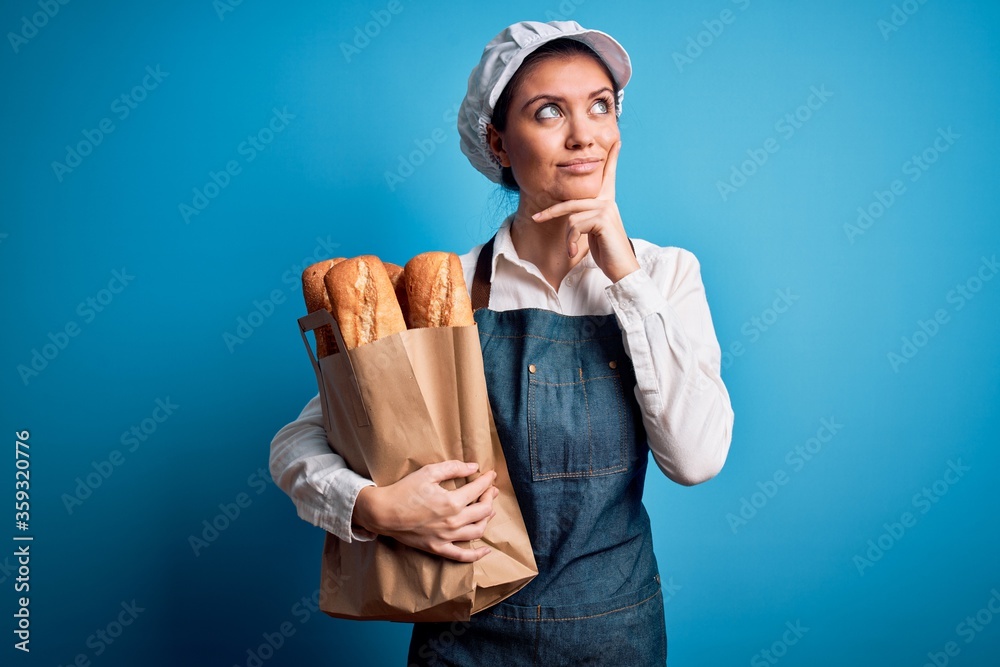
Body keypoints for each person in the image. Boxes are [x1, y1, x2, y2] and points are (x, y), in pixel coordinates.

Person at [270, 19, 734, 666]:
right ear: (498, 142)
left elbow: (696, 457)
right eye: (549, 112)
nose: (584, 135)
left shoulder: (664, 276)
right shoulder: (448, 287)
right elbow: (295, 443)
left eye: (600, 106)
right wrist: (376, 507)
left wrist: (622, 270)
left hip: (615, 641)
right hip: (464, 645)